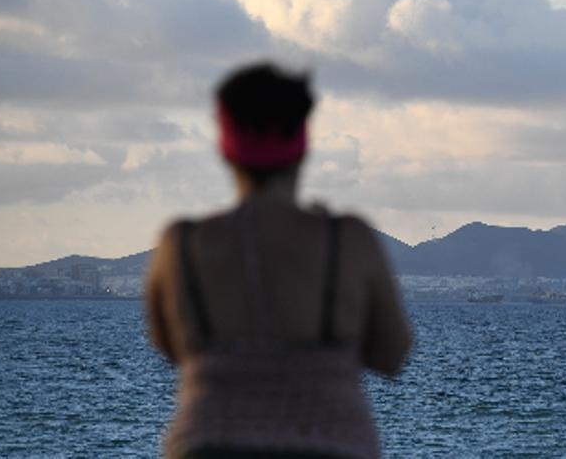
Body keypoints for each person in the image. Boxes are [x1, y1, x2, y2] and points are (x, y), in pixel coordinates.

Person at [145, 62, 412, 459]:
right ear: (303, 143)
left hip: (207, 444)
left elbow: (172, 347)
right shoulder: (348, 241)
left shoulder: (181, 245)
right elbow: (392, 353)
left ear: (224, 144)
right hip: (330, 443)